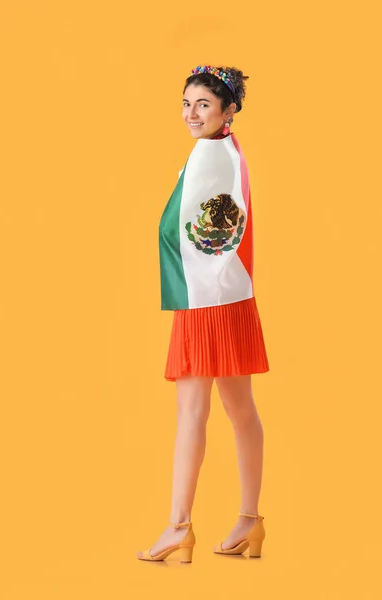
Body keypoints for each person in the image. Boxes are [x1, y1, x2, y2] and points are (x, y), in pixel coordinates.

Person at [137, 65, 270, 563]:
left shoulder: (211, 155)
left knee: (193, 412)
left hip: (205, 298)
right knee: (240, 411)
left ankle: (178, 527)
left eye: (203, 105)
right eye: (186, 103)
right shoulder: (227, 151)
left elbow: (198, 229)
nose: (191, 114)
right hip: (228, 294)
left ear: (228, 110)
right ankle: (249, 522)